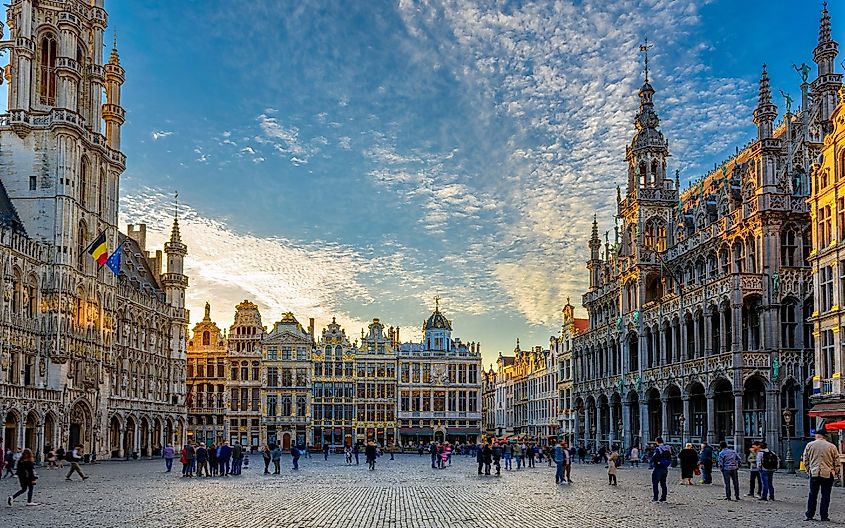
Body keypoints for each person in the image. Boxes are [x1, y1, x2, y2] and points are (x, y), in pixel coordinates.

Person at [801, 428, 841, 522]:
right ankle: (824, 516)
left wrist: (809, 470)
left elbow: (805, 459)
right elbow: (837, 461)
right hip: (827, 473)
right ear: (825, 436)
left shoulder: (810, 445)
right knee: (826, 495)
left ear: (817, 435)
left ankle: (810, 514)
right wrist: (835, 471)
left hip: (814, 473)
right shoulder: (832, 446)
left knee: (812, 494)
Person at [650, 437, 672, 503]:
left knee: (655, 483)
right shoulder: (667, 448)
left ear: (657, 442)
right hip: (665, 468)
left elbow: (654, 458)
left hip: (658, 468)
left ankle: (655, 498)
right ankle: (663, 497)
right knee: (663, 483)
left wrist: (652, 461)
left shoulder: (658, 449)